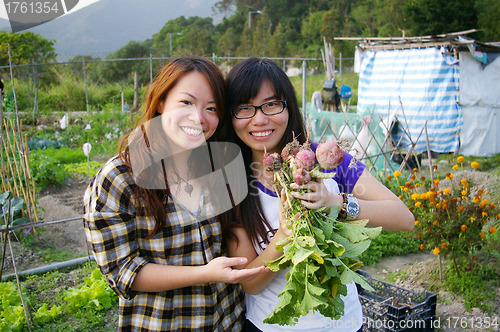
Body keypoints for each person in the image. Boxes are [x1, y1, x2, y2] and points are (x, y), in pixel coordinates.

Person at [223, 57, 415, 332]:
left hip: (344, 325)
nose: (260, 118)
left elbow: (404, 217)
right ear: (231, 116)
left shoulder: (323, 159)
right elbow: (250, 284)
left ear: (288, 106)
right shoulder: (233, 183)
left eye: (271, 104)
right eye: (244, 108)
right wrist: (285, 236)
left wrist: (336, 203)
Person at [83, 56, 266, 332]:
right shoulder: (121, 177)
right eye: (186, 102)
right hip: (162, 324)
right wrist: (204, 274)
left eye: (211, 108)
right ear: (160, 102)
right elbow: (123, 272)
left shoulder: (217, 166)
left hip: (227, 321)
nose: (198, 117)